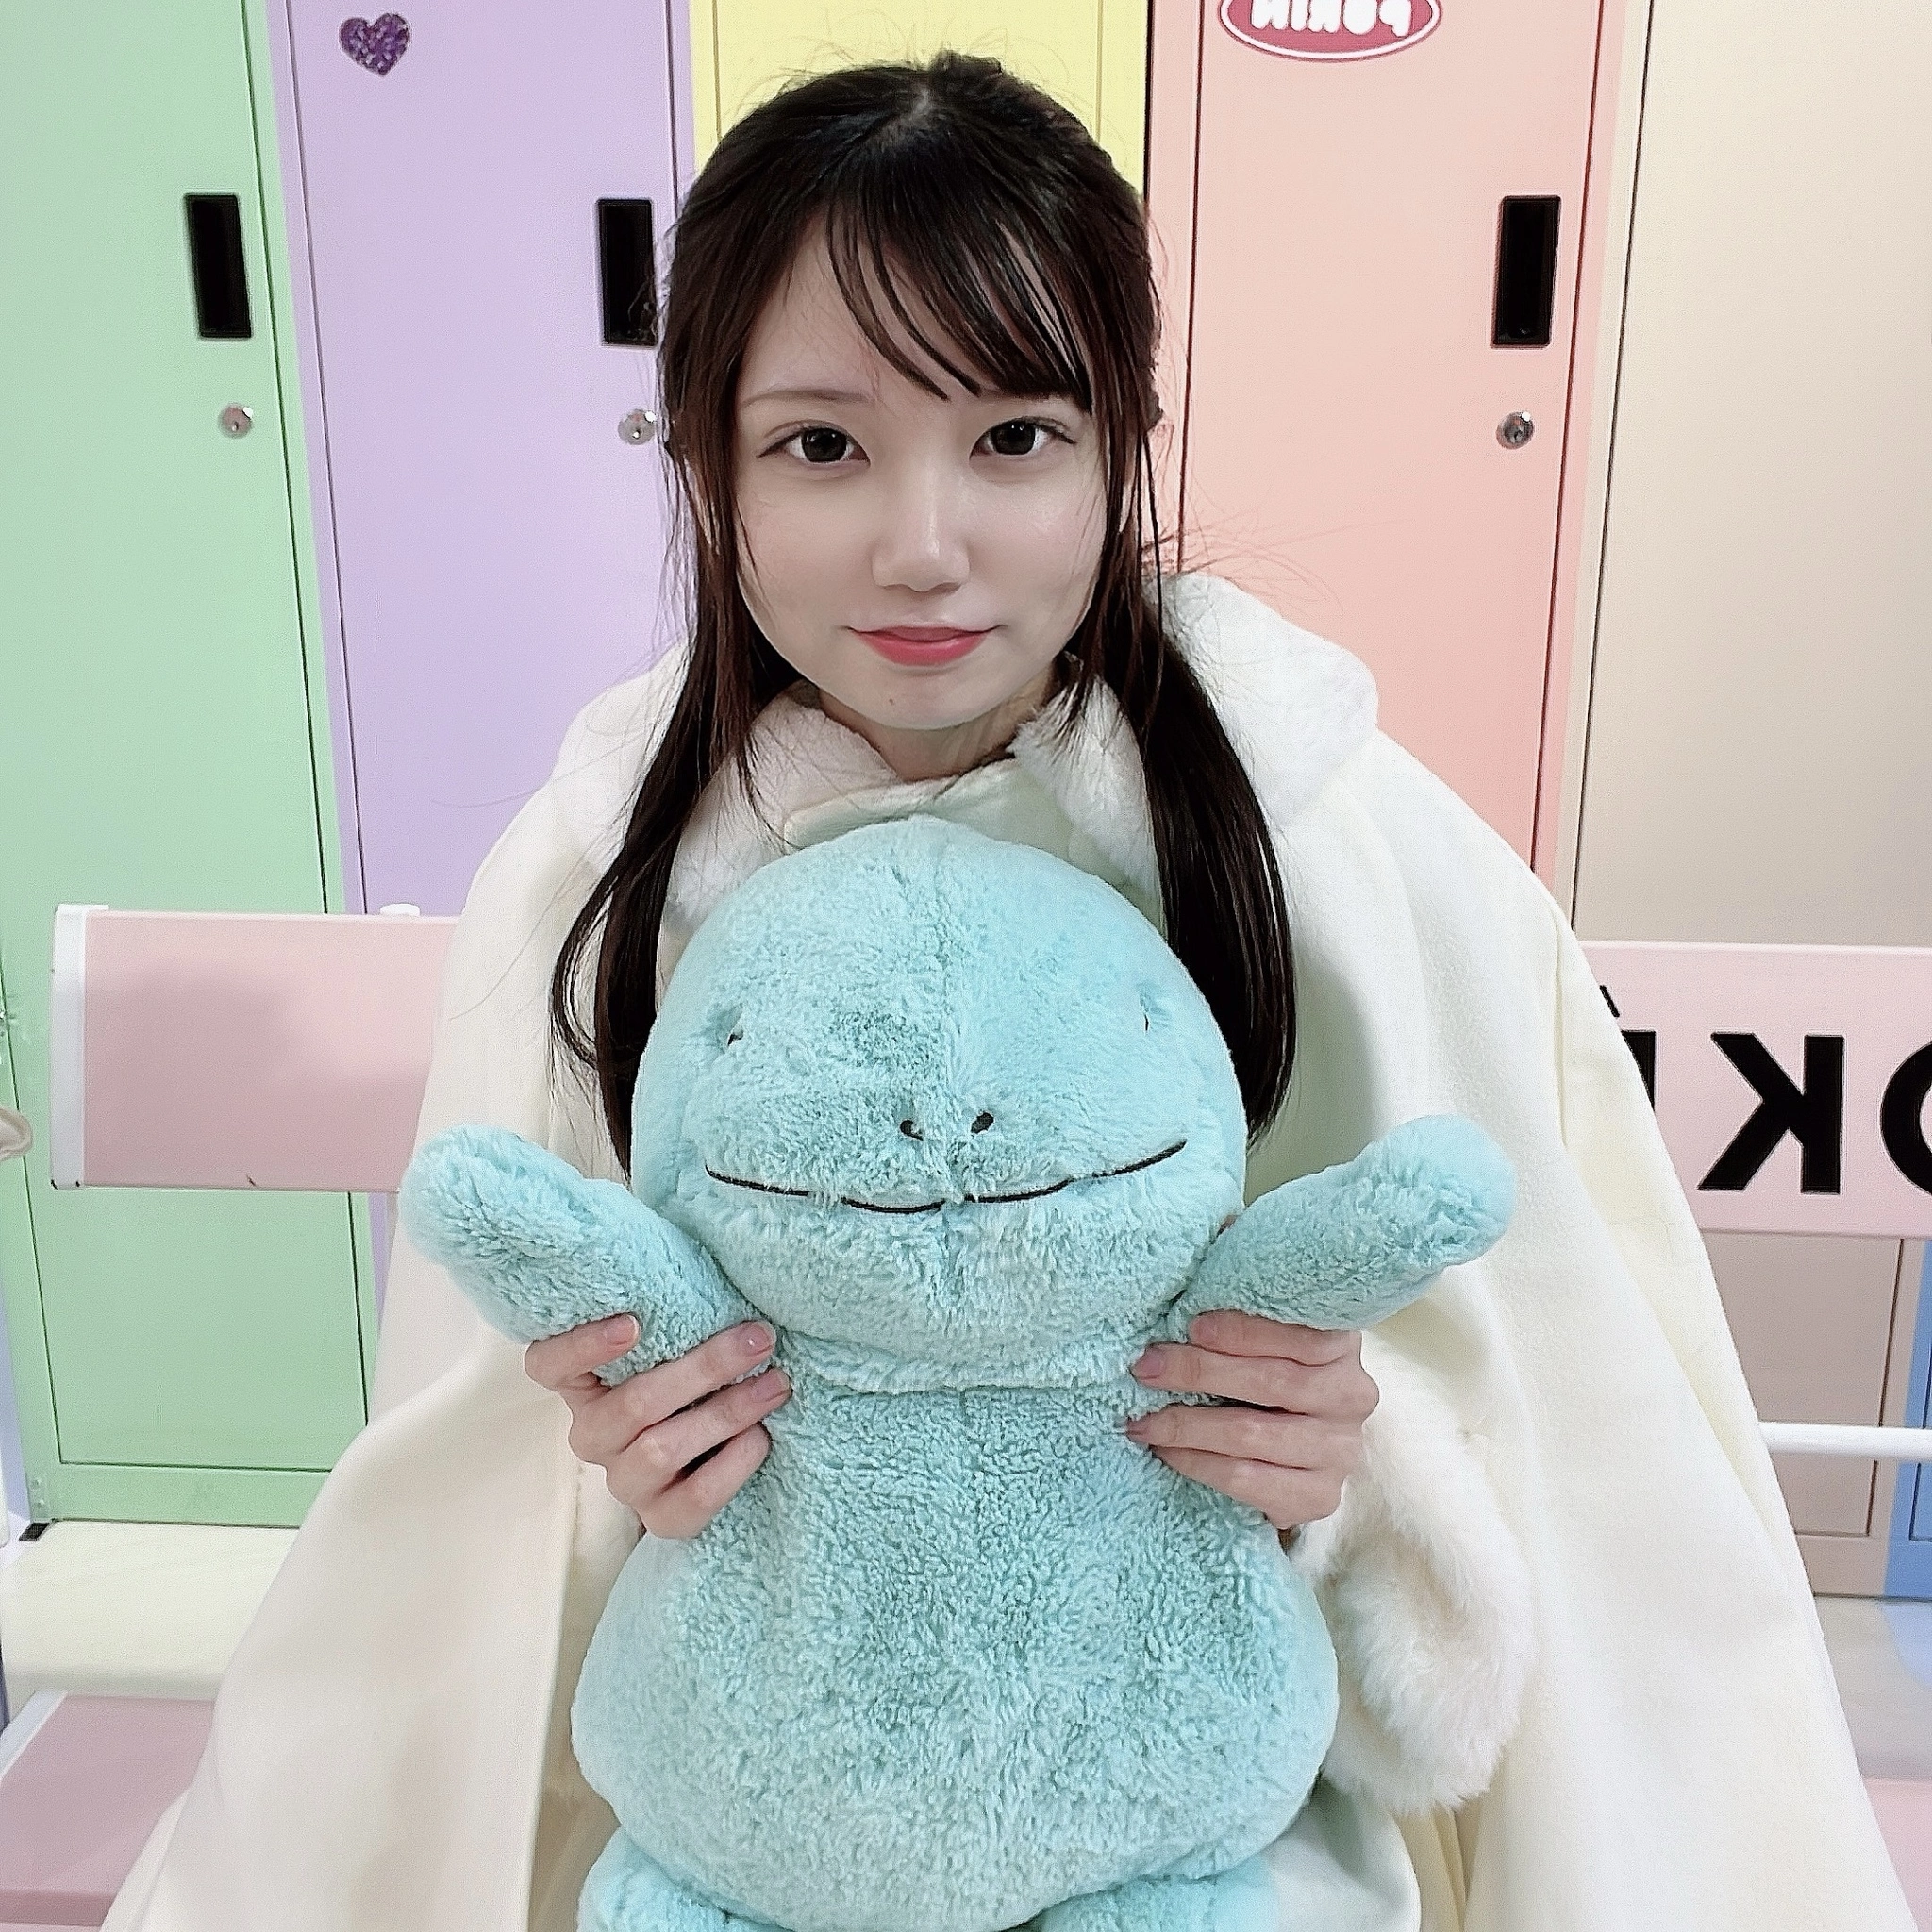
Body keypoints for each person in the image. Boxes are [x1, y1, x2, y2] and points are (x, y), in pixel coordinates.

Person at [106, 54, 1911, 1932]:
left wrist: (1345, 1465)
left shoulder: (1326, 836)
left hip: (1206, 1826)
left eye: (1017, 436)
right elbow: (466, 1514)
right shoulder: (596, 872)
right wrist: (614, 1468)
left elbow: (1554, 1428)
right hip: (744, 1817)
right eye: (822, 446)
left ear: (1125, 439)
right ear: (705, 459)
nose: (923, 546)